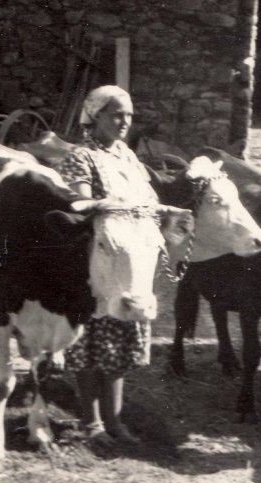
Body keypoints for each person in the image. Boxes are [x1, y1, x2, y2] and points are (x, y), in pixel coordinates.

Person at [58, 85, 159, 446]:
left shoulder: (128, 158)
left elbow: (149, 198)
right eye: (116, 114)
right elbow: (82, 204)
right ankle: (92, 423)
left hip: (130, 259)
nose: (124, 122)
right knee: (91, 341)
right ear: (95, 115)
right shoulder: (80, 156)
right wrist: (119, 204)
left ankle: (115, 422)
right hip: (96, 260)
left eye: (128, 115)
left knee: (119, 340)